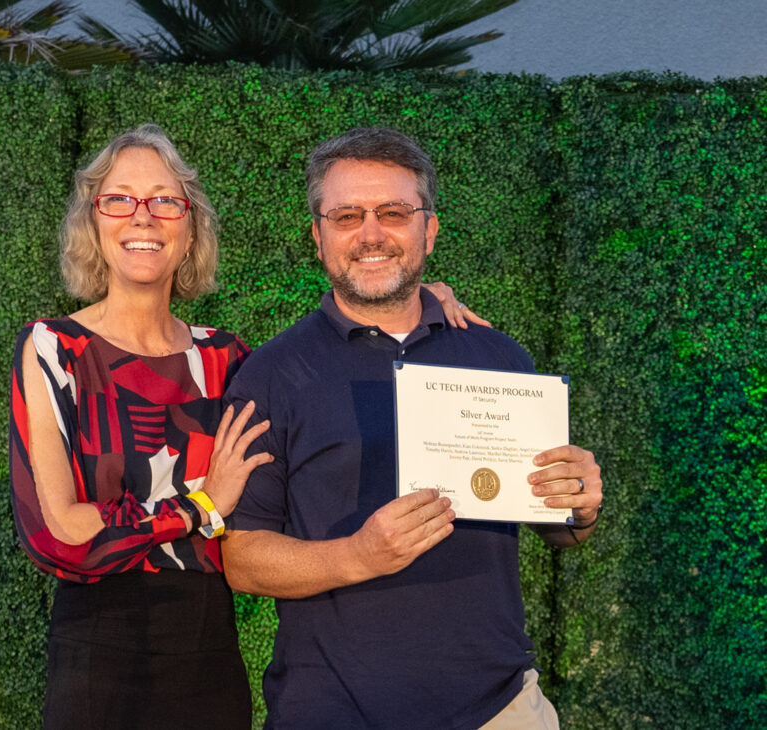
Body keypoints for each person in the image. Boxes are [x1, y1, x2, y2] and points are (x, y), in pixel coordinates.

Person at [8, 123, 482, 729]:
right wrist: (200, 506)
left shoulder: (228, 360)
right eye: (120, 199)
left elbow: (329, 358)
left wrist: (424, 299)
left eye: (165, 201)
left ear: (190, 229)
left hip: (209, 655)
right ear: (93, 223)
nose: (144, 218)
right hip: (97, 655)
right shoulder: (54, 348)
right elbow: (59, 536)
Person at [221, 127, 604, 730]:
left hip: (499, 707)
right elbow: (241, 560)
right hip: (331, 710)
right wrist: (357, 556)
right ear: (318, 237)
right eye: (347, 215)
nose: (371, 233)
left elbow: (555, 527)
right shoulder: (270, 375)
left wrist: (576, 509)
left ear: (429, 229)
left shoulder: (501, 359)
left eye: (394, 212)